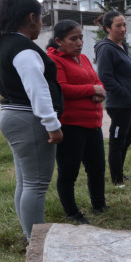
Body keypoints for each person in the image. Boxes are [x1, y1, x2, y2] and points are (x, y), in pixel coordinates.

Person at [0, 0, 63, 241]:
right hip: (28, 118)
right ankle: (36, 246)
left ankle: (30, 240)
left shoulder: (3, 43)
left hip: (11, 114)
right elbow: (37, 88)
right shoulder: (24, 48)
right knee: (36, 185)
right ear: (32, 17)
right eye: (42, 18)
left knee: (26, 182)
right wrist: (52, 123)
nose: (42, 24)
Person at [46, 20, 107, 224]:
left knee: (97, 168)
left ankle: (99, 205)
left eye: (80, 37)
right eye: (73, 39)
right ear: (59, 41)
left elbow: (97, 81)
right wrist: (91, 90)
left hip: (93, 123)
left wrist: (99, 91)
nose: (79, 42)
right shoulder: (54, 60)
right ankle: (72, 212)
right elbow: (61, 88)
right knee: (69, 172)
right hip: (71, 125)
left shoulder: (83, 58)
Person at [95, 11, 131, 188]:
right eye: (118, 25)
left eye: (124, 24)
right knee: (117, 141)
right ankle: (116, 179)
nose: (123, 28)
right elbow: (105, 77)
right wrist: (123, 93)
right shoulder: (106, 48)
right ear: (108, 28)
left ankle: (119, 173)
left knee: (126, 141)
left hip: (128, 103)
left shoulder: (121, 46)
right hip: (119, 104)